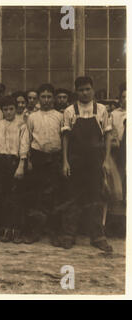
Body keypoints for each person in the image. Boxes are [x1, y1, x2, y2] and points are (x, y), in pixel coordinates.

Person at [60, 76, 113, 252]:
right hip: (75, 160)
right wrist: (65, 161)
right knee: (72, 197)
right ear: (76, 91)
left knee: (95, 198)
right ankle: (68, 234)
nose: (84, 92)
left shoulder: (101, 110)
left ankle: (97, 236)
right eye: (81, 89)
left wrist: (106, 160)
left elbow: (107, 136)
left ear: (93, 89)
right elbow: (66, 137)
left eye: (88, 89)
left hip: (95, 160)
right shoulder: (70, 111)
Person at [25, 84, 64, 245]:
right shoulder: (32, 117)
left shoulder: (60, 116)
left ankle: (54, 231)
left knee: (54, 195)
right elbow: (27, 139)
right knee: (37, 194)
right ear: (38, 99)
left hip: (55, 157)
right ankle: (36, 230)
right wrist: (27, 160)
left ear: (53, 98)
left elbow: (64, 138)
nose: (46, 100)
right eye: (43, 97)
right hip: (38, 157)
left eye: (49, 97)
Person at [0, 96, 29, 244]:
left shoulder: (21, 125)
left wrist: (20, 166)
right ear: (1, 111)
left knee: (16, 197)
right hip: (0, 162)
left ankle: (17, 230)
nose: (8, 112)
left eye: (11, 109)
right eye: (5, 109)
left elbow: (24, 146)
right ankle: (6, 229)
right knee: (3, 196)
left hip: (15, 162)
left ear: (15, 109)